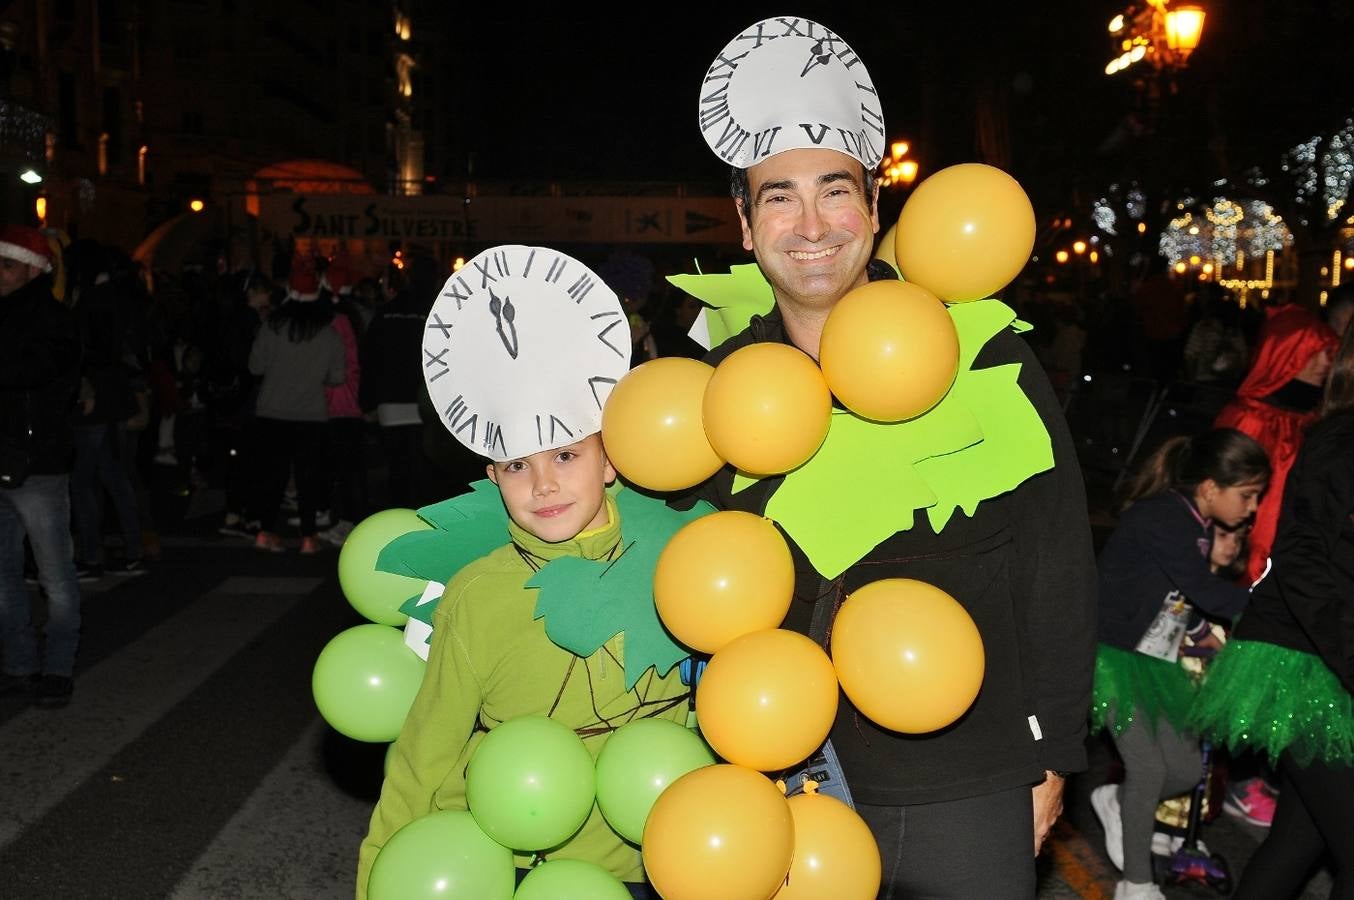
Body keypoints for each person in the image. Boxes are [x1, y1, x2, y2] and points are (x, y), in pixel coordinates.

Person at [672, 18, 1097, 897]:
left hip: (968, 779)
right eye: (779, 196)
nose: (812, 222)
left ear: (872, 208)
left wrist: (1053, 756)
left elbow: (1055, 556)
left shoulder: (980, 353)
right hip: (786, 784)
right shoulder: (721, 387)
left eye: (835, 190)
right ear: (745, 226)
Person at [356, 247, 686, 900]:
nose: (543, 484)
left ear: (611, 458)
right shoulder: (477, 595)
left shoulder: (677, 563)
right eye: (515, 465)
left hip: (660, 867)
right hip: (519, 871)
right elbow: (427, 755)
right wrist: (376, 879)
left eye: (566, 453)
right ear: (492, 477)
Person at [1191, 325, 1354, 899]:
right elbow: (1303, 559)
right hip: (1303, 659)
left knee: (1300, 841)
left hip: (1327, 654)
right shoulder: (1341, 439)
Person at [1087, 428, 1269, 899]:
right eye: (1248, 496)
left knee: (1188, 771)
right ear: (1210, 487)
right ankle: (1136, 885)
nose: (1252, 509)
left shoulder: (1196, 524)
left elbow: (1177, 598)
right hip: (1110, 655)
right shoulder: (1164, 517)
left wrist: (1198, 635)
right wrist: (1269, 609)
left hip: (1155, 660)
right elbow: (1203, 590)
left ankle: (1117, 801)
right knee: (1147, 770)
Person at [0, 225, 84, 707]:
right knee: (5, 572)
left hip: (39, 466)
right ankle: (19, 662)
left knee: (54, 576)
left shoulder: (53, 320)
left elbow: (41, 374)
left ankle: (57, 667)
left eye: (7, 265)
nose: (0, 274)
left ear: (32, 269)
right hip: (4, 460)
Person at [247, 253, 345, 553]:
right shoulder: (328, 334)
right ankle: (308, 537)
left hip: (272, 413)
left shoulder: (272, 327)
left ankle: (265, 531)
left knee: (272, 476)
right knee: (308, 478)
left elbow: (255, 367)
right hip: (310, 415)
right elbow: (337, 377)